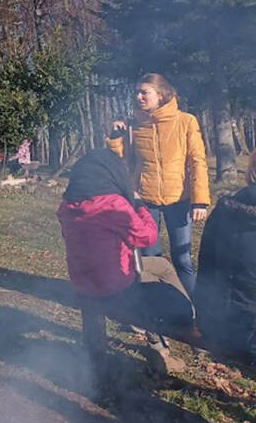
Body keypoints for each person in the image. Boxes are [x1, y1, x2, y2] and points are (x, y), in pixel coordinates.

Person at [57, 149, 187, 390]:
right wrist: (138, 204)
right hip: (115, 286)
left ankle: (96, 367)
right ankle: (171, 341)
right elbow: (147, 236)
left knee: (159, 265)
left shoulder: (67, 206)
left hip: (83, 282)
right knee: (161, 274)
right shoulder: (113, 205)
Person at [107, 73, 209, 295]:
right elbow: (120, 162)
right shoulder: (133, 126)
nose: (139, 96)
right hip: (145, 200)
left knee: (182, 260)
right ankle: (159, 311)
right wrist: (116, 137)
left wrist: (200, 201)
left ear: (161, 95)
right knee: (150, 259)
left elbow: (198, 161)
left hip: (179, 199)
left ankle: (193, 309)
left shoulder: (185, 121)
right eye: (137, 92)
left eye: (145, 92)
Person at [193, 150, 256, 362]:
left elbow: (205, 267)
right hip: (247, 333)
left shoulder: (223, 209)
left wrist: (203, 318)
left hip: (217, 323)